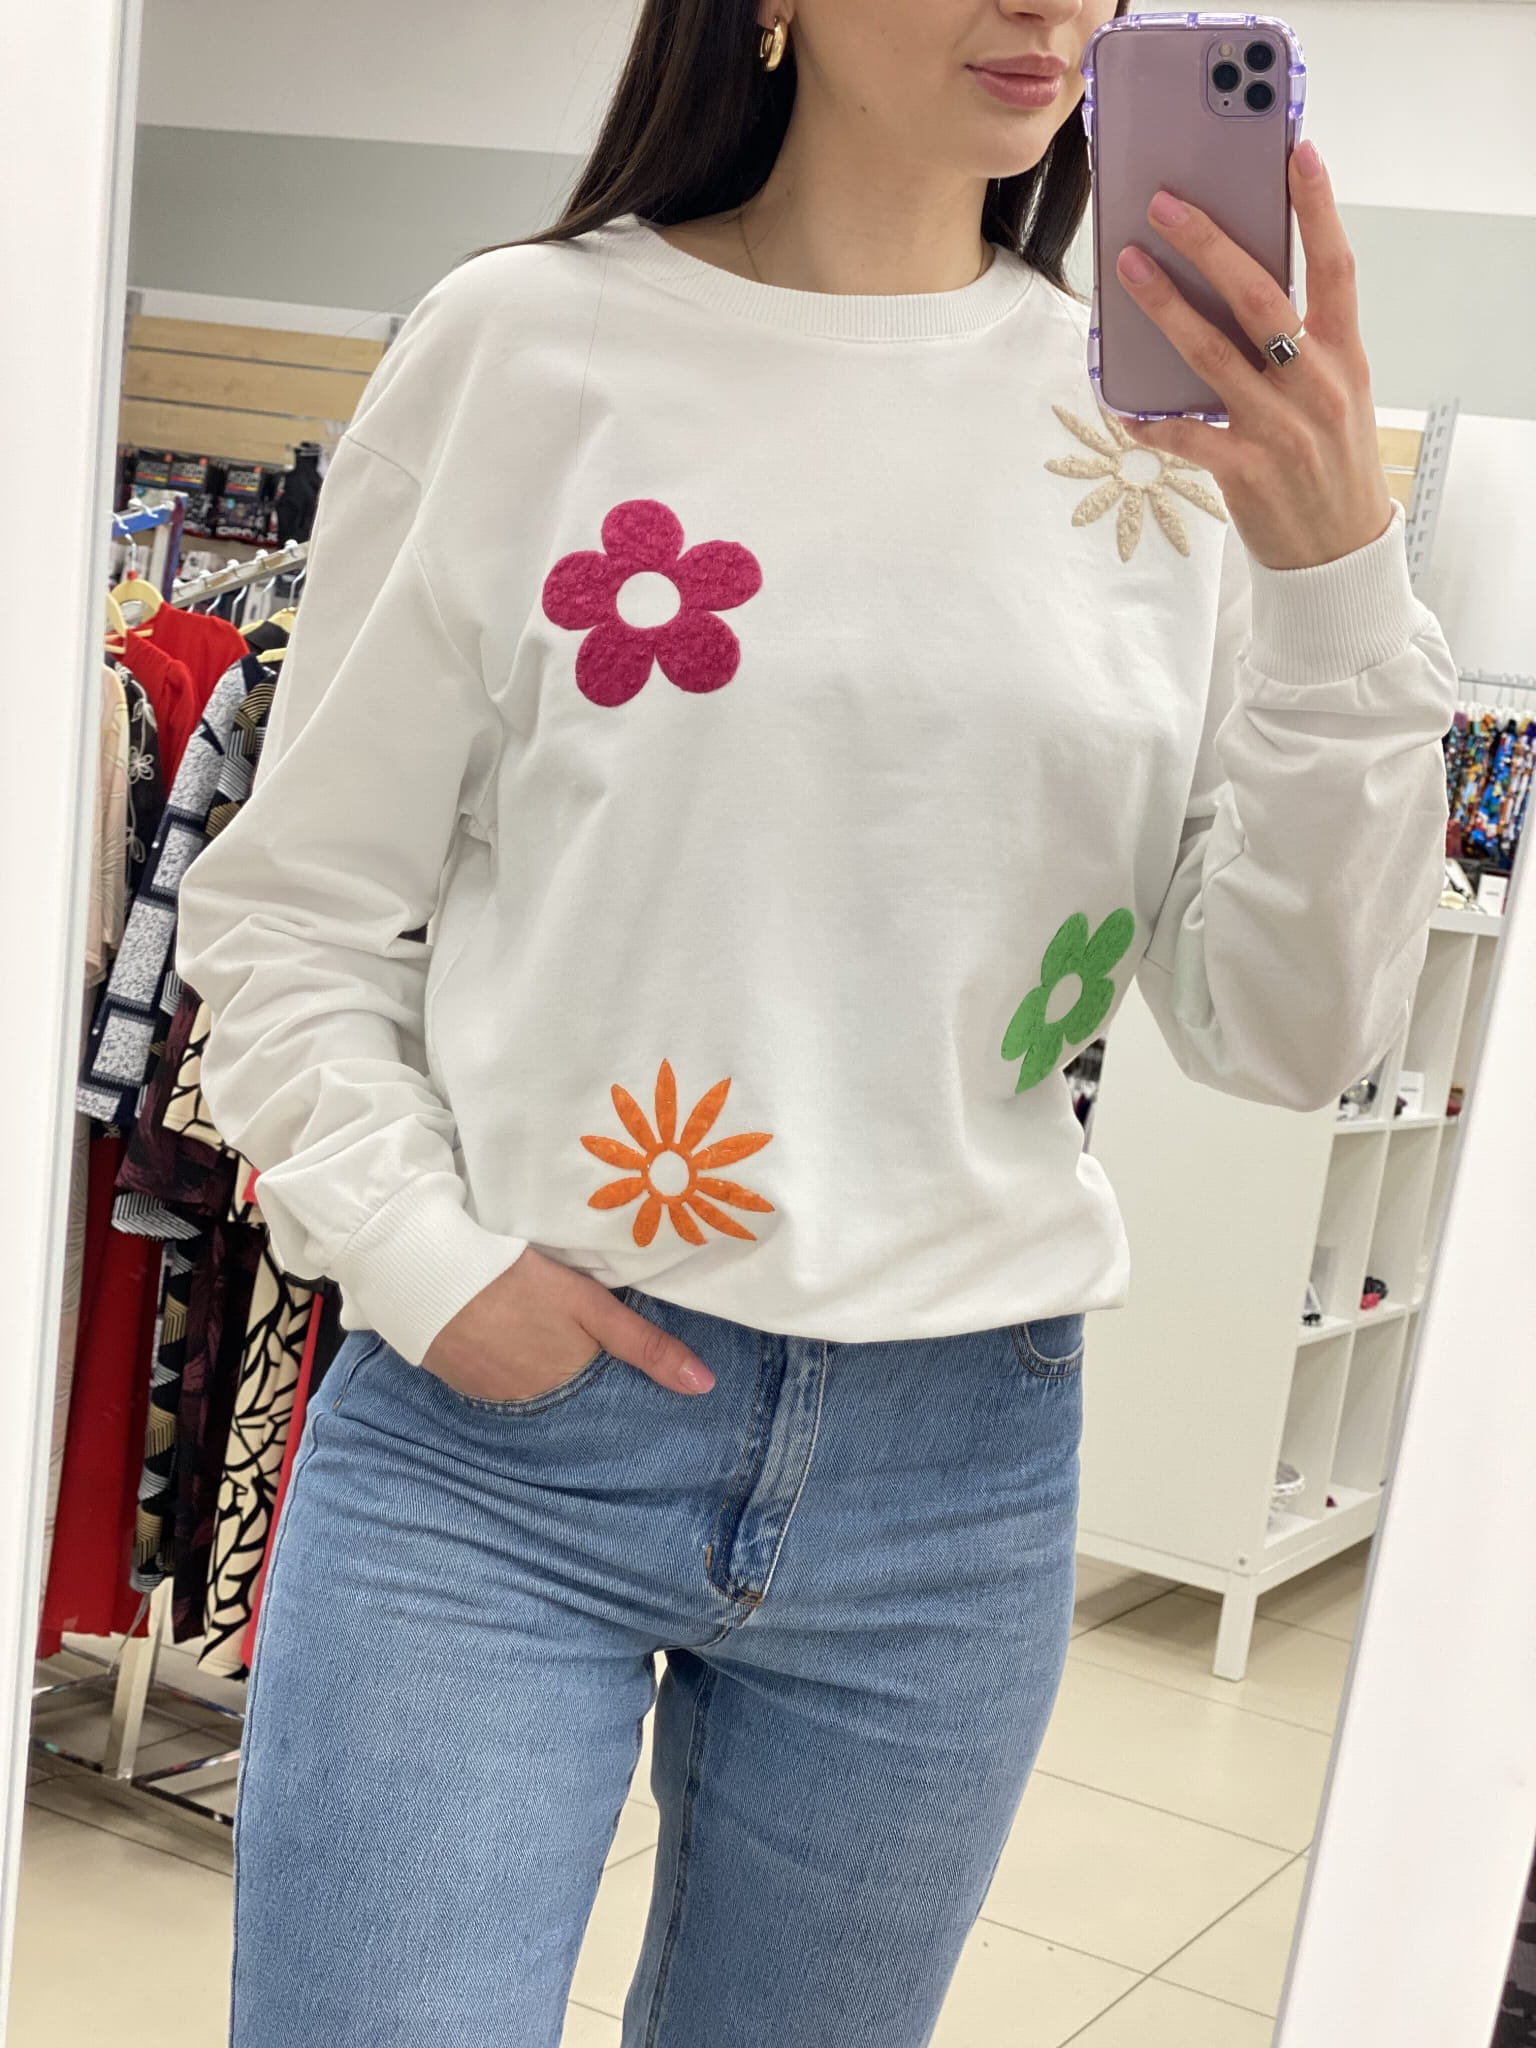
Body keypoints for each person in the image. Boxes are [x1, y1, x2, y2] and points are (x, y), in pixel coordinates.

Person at [176, 2, 1457, 2042]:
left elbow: (1287, 1034)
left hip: (955, 1472)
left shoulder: (1168, 443)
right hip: (504, 1445)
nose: (1044, 6)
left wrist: (1336, 588)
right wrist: (427, 1262)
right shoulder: (527, 350)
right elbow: (294, 909)